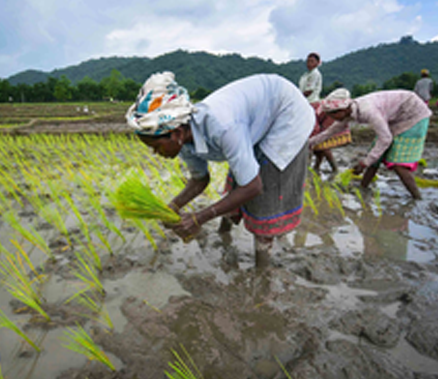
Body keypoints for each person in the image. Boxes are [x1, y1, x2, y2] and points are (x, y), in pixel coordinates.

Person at [126, 72, 315, 266]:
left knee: (263, 195)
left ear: (177, 134)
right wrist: (173, 206)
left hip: (286, 113)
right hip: (255, 117)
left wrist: (199, 218)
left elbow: (253, 186)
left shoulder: (223, 126)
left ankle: (262, 271)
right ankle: (224, 235)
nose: (155, 153)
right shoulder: (184, 139)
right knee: (238, 180)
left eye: (156, 146)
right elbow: (200, 179)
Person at [309, 88, 432, 199]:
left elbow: (385, 139)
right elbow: (329, 132)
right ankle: (363, 188)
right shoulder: (348, 112)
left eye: (332, 114)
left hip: (413, 114)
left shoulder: (368, 111)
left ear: (343, 109)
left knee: (398, 164)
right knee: (375, 157)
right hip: (396, 117)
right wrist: (308, 143)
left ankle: (417, 198)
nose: (331, 118)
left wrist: (364, 163)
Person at [299, 52, 351, 172]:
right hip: (306, 104)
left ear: (318, 63)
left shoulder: (315, 74)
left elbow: (309, 91)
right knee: (319, 143)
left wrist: (296, 97)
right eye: (308, 61)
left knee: (317, 139)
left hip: (312, 104)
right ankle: (319, 167)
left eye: (312, 61)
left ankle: (319, 168)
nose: (309, 63)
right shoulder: (306, 75)